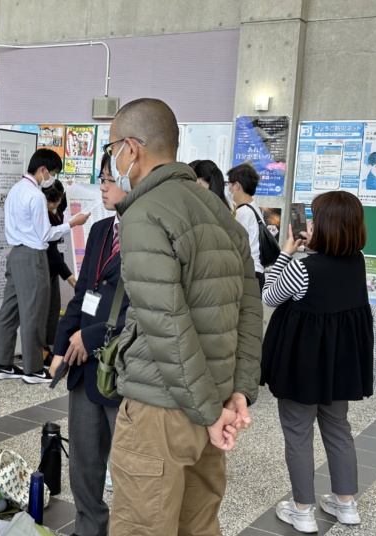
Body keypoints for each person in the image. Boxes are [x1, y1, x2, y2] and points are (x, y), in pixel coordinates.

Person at [105, 98, 263, 536]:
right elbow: (250, 311)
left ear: (131, 149)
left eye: (112, 146)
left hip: (162, 410)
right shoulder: (219, 211)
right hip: (210, 400)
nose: (112, 158)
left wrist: (213, 411)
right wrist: (238, 395)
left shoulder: (144, 214)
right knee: (198, 525)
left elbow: (165, 326)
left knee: (143, 526)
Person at [260, 191, 372, 534]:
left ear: (324, 225)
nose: (309, 222)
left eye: (314, 217)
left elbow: (269, 295)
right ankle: (345, 504)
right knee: (339, 429)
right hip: (341, 366)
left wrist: (286, 255)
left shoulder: (302, 268)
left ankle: (303, 510)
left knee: (298, 433)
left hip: (302, 367)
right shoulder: (358, 260)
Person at [48, 153, 129, 536]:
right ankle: (88, 527)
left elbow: (144, 308)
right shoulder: (99, 230)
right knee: (83, 461)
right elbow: (83, 293)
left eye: (111, 178)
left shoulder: (149, 234)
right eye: (102, 177)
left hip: (122, 368)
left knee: (130, 465)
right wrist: (62, 345)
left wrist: (89, 337)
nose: (104, 185)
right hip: (83, 367)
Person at [0, 149, 89, 383]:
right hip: (32, 256)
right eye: (53, 172)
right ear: (43, 170)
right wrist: (73, 224)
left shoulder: (16, 190)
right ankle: (33, 369)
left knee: (9, 311)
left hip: (15, 254)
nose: (52, 178)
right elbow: (46, 234)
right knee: (34, 313)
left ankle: (2, 363)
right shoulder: (35, 195)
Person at [43, 179, 76, 360]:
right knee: (43, 311)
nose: (52, 204)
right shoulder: (42, 213)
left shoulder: (59, 209)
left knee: (53, 309)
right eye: (49, 200)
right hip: (45, 265)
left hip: (54, 266)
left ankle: (50, 345)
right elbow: (50, 248)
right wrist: (69, 276)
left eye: (56, 200)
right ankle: (43, 350)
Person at [228, 163, 267, 290]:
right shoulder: (253, 208)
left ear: (237, 185)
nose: (228, 189)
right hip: (256, 272)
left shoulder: (243, 212)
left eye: (229, 184)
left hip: (248, 273)